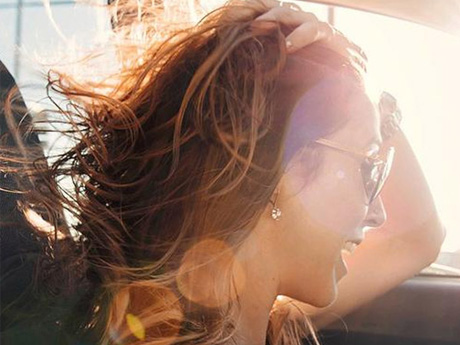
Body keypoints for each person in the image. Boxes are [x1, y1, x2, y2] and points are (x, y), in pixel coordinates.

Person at [0, 0, 445, 344]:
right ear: (276, 173)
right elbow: (414, 237)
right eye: (368, 167)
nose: (378, 213)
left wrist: (355, 82)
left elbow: (417, 238)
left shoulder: (253, 314)